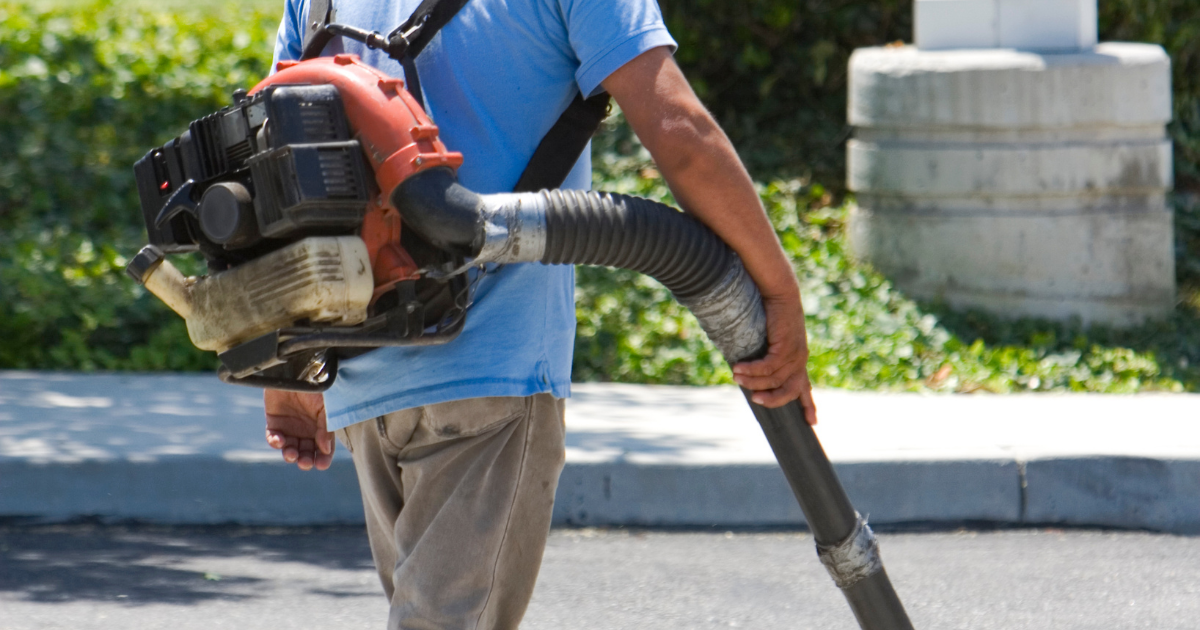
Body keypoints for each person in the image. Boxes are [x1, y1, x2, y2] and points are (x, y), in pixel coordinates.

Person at [263, 0, 818, 627]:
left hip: (366, 375)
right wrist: (778, 290)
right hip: (489, 373)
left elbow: (280, 163)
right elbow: (681, 135)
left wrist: (291, 361)